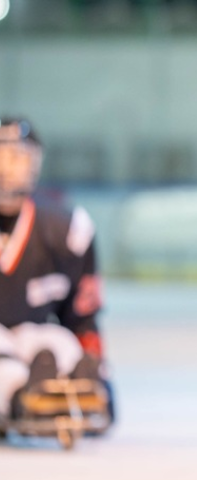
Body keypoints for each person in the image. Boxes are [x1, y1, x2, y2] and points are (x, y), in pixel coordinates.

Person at [0, 116, 112, 437]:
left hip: (32, 339)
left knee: (59, 344)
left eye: (18, 157)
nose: (9, 168)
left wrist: (94, 361)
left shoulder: (67, 230)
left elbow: (82, 317)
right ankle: (22, 397)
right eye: (2, 156)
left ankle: (72, 385)